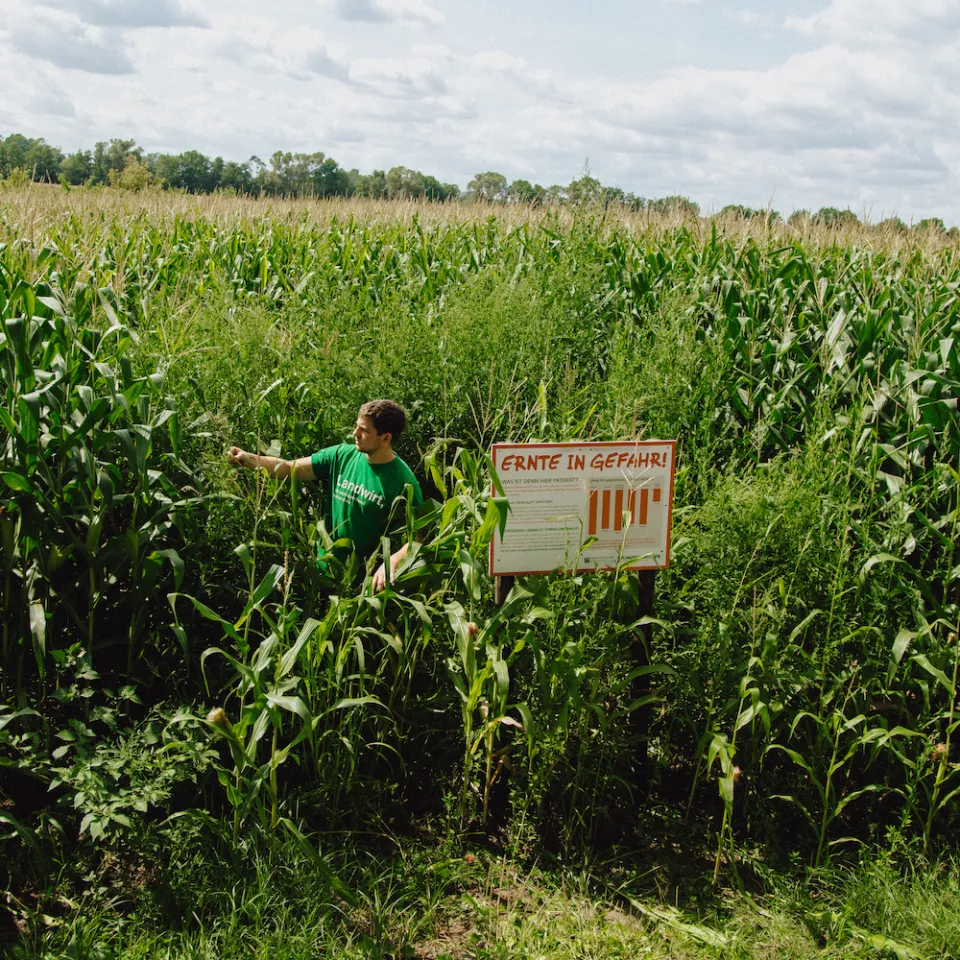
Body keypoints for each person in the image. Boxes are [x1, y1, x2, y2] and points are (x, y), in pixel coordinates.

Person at [228, 399, 423, 591]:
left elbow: (419, 537)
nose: (355, 433)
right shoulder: (341, 455)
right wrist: (248, 459)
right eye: (357, 426)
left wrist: (394, 560)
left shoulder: (403, 482)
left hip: (363, 586)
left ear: (386, 438)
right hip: (322, 570)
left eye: (364, 430)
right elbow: (288, 468)